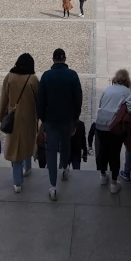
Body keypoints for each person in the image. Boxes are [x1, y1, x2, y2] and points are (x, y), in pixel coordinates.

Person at [36, 47, 83, 201]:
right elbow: (78, 98)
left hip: (51, 119)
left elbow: (40, 100)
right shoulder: (72, 75)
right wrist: (76, 117)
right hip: (68, 118)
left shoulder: (47, 76)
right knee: (66, 143)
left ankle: (53, 186)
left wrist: (42, 119)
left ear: (53, 59)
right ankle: (64, 167)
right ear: (64, 59)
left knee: (51, 150)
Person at [0, 53, 39, 192]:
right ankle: (27, 167)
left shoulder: (9, 77)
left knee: (15, 150)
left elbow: (3, 99)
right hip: (29, 119)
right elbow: (39, 102)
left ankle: (17, 182)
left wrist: (1, 116)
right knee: (27, 143)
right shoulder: (33, 79)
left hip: (14, 118)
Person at [95, 69, 131, 193]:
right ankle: (114, 183)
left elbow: (101, 103)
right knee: (115, 153)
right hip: (115, 127)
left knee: (103, 150)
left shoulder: (108, 89)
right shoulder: (129, 93)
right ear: (127, 80)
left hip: (101, 123)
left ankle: (103, 175)